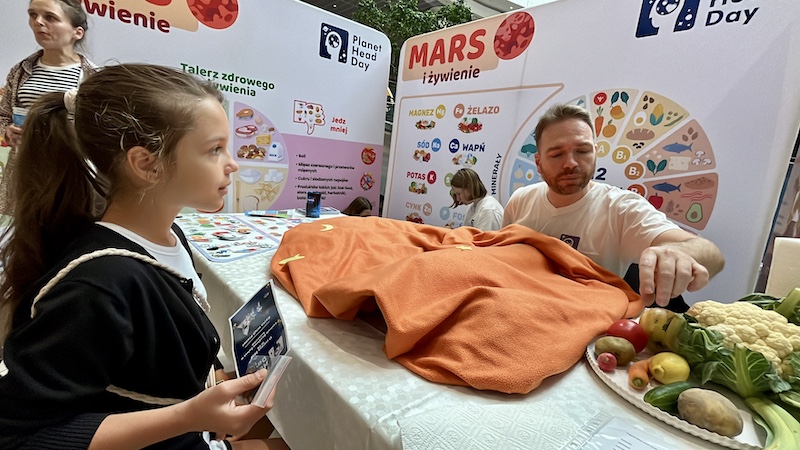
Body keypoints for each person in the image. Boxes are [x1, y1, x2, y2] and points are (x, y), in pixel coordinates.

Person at [0, 64, 288, 449]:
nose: (232, 163)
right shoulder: (99, 287)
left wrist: (209, 388)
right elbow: (20, 436)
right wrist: (188, 416)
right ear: (146, 164)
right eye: (214, 150)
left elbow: (153, 359)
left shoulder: (171, 237)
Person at [502, 103, 724, 307]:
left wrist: (678, 252)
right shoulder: (520, 201)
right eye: (557, 154)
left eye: (582, 151)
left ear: (595, 153)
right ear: (538, 163)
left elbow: (712, 254)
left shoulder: (622, 209)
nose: (570, 163)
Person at [0, 0, 97, 214]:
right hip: (25, 173)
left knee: (68, 228)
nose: (38, 22)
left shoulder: (93, 78)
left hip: (71, 173)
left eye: (50, 17)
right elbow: (3, 115)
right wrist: (7, 131)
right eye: (33, 15)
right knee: (24, 229)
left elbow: (102, 130)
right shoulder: (21, 71)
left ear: (77, 32)